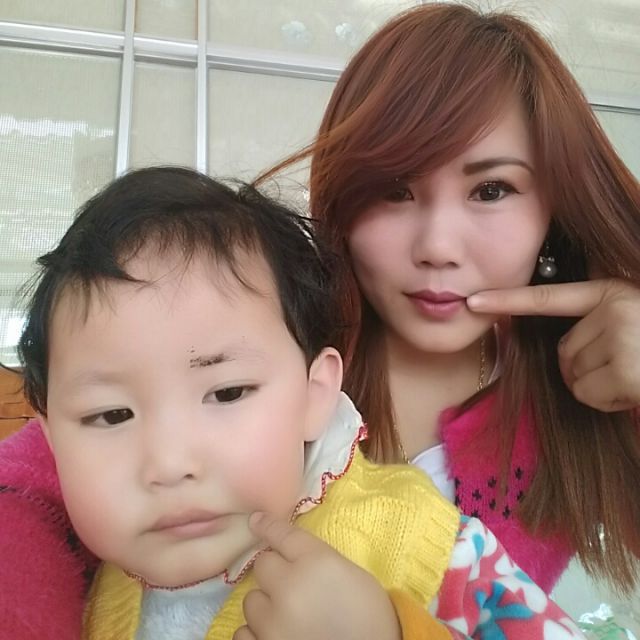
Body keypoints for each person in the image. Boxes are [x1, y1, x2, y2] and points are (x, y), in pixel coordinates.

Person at [1, 166, 586, 640]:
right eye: (111, 415)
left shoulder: (426, 543)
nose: (170, 464)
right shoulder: (89, 581)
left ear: (315, 393)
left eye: (227, 392)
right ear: (52, 440)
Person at [259, 1, 640, 597]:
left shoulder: (591, 386)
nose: (437, 247)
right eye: (394, 190)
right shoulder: (262, 343)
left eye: (491, 190)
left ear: (555, 207)